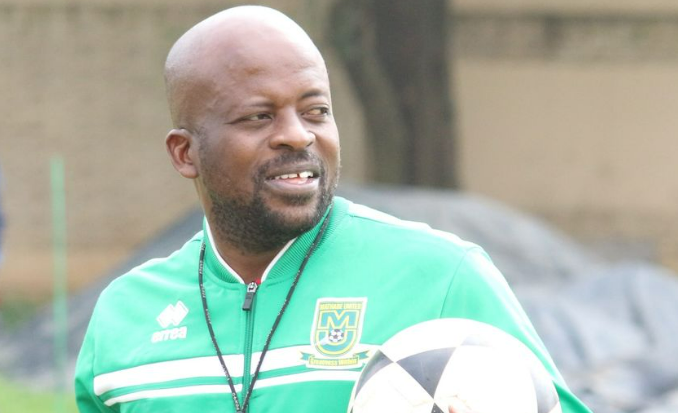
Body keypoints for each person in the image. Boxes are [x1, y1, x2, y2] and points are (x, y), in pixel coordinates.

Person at [74, 6, 591, 413]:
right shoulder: (125, 318)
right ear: (186, 153)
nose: (298, 134)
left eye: (315, 110)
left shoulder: (442, 277)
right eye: (259, 116)